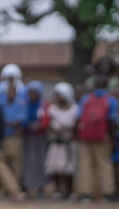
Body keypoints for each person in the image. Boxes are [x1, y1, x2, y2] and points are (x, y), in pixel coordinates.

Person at [75, 72, 118, 201]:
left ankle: (85, 193)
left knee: (85, 164)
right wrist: (112, 137)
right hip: (102, 135)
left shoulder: (86, 99)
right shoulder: (111, 100)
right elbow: (112, 120)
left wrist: (78, 133)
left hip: (85, 135)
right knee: (104, 163)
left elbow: (78, 117)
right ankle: (108, 192)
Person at [44, 82, 79, 199]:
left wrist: (68, 130)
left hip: (69, 142)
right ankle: (58, 190)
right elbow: (50, 124)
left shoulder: (75, 109)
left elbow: (76, 125)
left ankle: (69, 191)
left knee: (70, 168)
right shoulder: (52, 109)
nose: (58, 97)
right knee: (56, 167)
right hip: (57, 142)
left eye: (60, 94)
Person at [23, 81, 49, 197]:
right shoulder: (25, 103)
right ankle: (30, 186)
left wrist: (41, 125)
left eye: (34, 92)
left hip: (40, 137)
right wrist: (27, 124)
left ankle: (41, 186)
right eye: (30, 92)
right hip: (28, 136)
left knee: (41, 160)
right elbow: (22, 117)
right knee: (29, 161)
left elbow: (46, 119)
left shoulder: (44, 105)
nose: (32, 94)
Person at [0, 82, 27, 189]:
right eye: (8, 91)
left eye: (12, 91)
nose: (10, 93)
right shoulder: (2, 104)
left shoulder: (20, 103)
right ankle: (4, 189)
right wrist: (10, 123)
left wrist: (6, 123)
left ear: (16, 92)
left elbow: (19, 122)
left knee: (16, 164)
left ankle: (16, 188)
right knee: (4, 163)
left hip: (15, 138)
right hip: (4, 137)